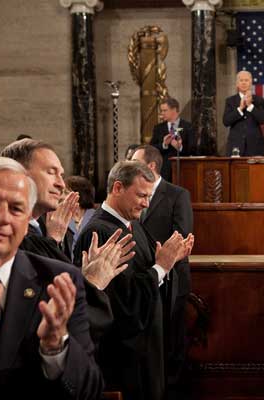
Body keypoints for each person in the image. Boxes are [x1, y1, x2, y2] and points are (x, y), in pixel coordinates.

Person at [0, 157, 103, 399]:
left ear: (27, 224)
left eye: (16, 208)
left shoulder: (58, 280)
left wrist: (56, 347)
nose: (2, 217)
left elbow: (89, 391)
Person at [73, 160, 193, 400]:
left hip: (148, 348)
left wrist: (168, 263)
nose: (146, 203)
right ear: (118, 188)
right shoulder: (100, 233)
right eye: (141, 195)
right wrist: (161, 267)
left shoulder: (133, 225)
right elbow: (122, 302)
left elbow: (149, 278)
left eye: (149, 196)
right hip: (123, 356)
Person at [131, 144, 194, 390]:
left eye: (135, 162)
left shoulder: (177, 194)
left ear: (151, 166)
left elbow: (183, 234)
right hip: (146, 277)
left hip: (173, 278)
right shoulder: (134, 195)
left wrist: (163, 261)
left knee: (172, 341)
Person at [223, 70, 264, 156]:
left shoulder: (258, 100)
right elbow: (226, 122)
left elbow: (263, 120)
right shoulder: (230, 101)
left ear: (251, 83)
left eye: (246, 80)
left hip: (255, 146)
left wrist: (250, 106)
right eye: (241, 80)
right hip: (236, 146)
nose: (244, 83)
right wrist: (240, 109)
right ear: (237, 83)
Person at [150, 97, 194, 182]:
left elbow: (194, 149)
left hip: (183, 170)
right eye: (161, 111)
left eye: (165, 110)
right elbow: (152, 149)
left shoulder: (188, 127)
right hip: (164, 172)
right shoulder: (158, 128)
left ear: (174, 110)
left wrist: (180, 147)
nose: (162, 113)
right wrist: (164, 144)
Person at [64, 175, 97, 256]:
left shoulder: (97, 217)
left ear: (80, 195)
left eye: (65, 193)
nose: (61, 196)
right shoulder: (62, 216)